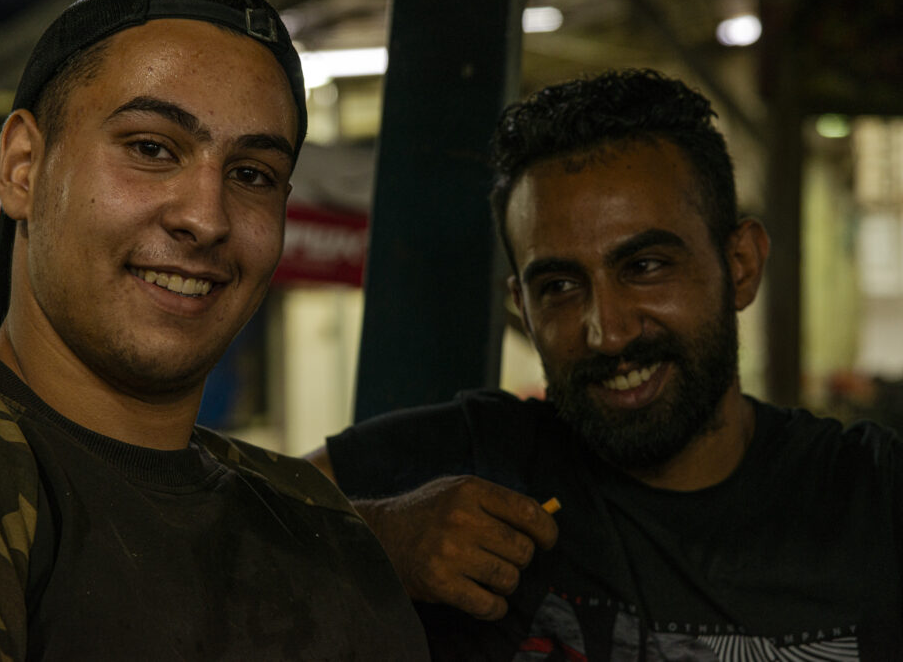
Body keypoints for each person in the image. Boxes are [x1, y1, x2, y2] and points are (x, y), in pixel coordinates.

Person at [0, 0, 430, 659]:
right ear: (23, 166)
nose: (205, 217)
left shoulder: (316, 518)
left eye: (253, 174)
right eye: (151, 148)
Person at [307, 69, 903, 659]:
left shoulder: (871, 497)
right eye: (560, 286)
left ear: (741, 265)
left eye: (645, 266)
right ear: (523, 306)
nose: (608, 333)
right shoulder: (476, 462)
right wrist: (377, 538)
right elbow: (220, 514)